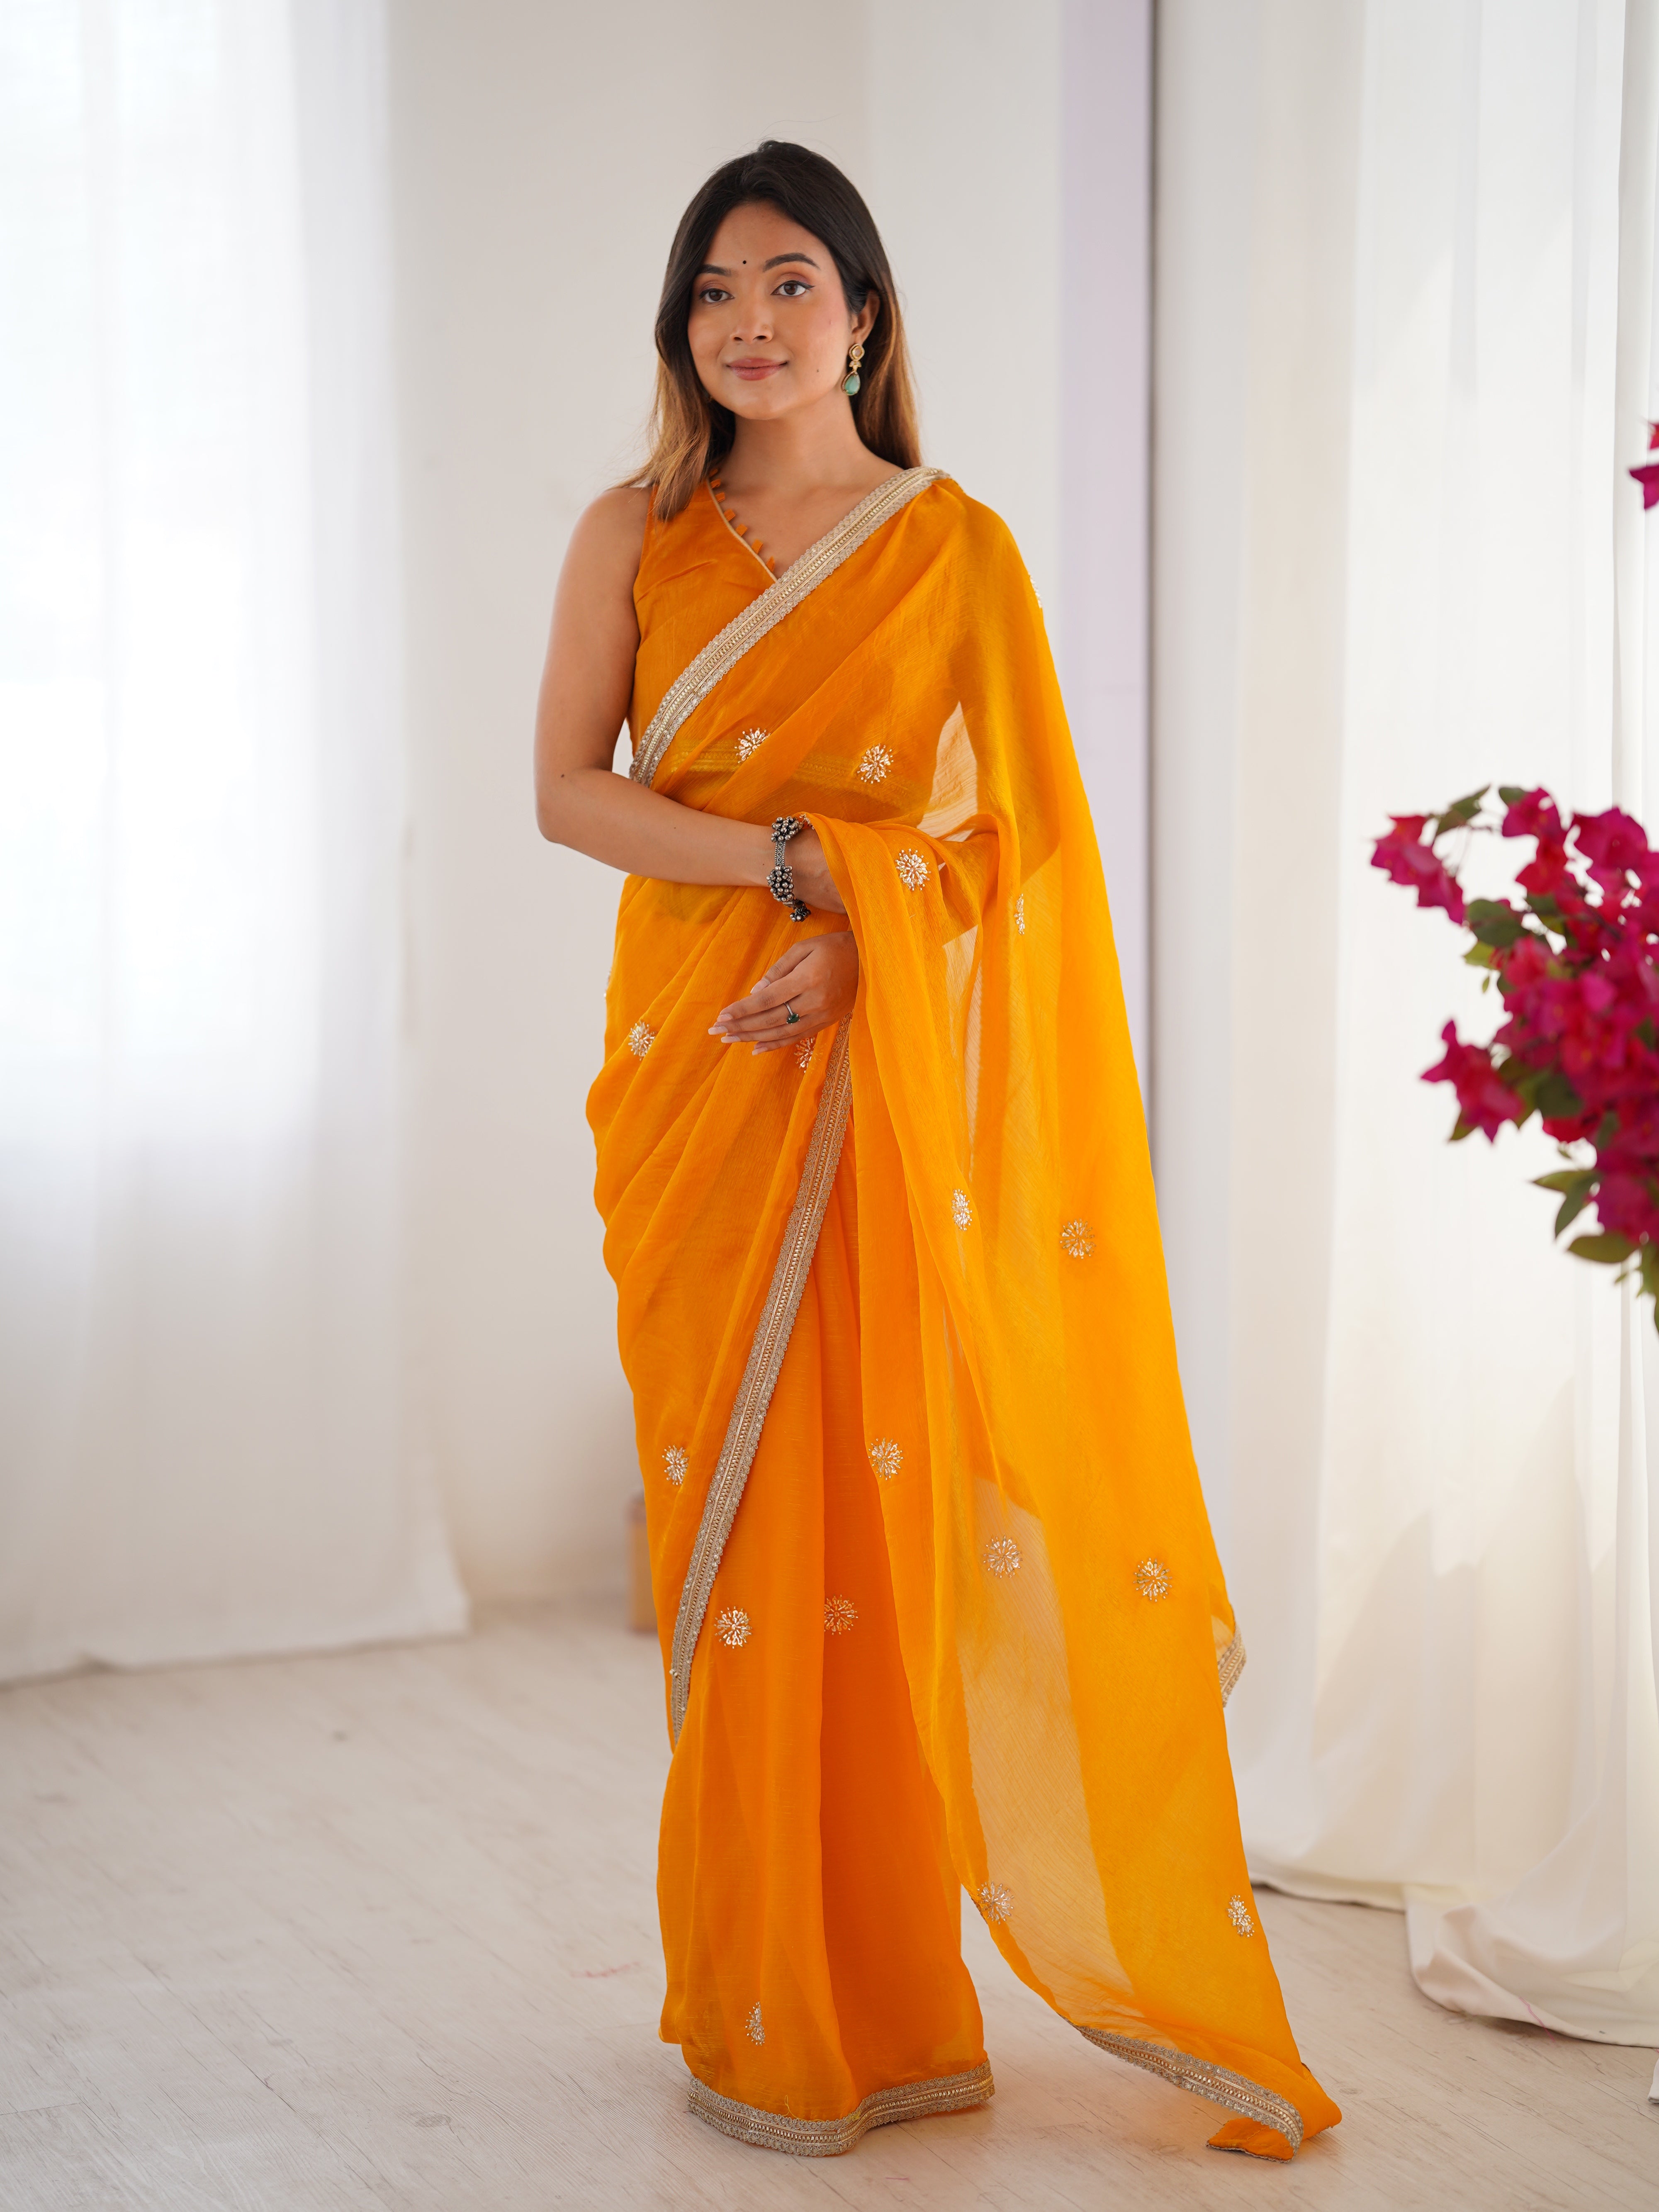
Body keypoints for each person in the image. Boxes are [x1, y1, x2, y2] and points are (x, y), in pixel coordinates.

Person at [534, 140, 1339, 2164]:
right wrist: (799, 874)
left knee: (869, 1527)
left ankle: (888, 2003)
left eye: (790, 284)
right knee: (731, 1538)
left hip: (870, 1092)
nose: (750, 323)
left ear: (865, 317)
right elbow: (568, 792)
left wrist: (866, 945)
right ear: (681, 328)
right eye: (715, 291)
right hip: (701, 1069)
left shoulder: (951, 548)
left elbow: (1016, 845)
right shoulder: (634, 530)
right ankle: (759, 1999)